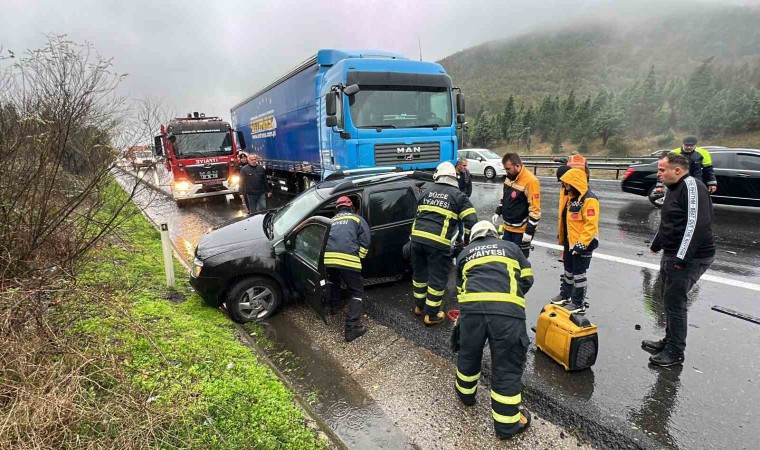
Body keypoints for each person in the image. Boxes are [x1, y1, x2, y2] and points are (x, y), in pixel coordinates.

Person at [453, 220, 534, 440]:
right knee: (506, 368)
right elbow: (527, 279)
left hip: (471, 314)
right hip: (507, 315)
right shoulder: (511, 248)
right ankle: (506, 426)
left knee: (468, 355)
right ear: (493, 233)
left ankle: (466, 395)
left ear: (474, 237)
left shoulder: (465, 253)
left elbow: (460, 287)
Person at [645, 152, 715, 367]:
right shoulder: (673, 187)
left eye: (662, 169)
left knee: (675, 302)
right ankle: (669, 341)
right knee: (667, 298)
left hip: (691, 256)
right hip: (672, 252)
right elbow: (671, 219)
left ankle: (675, 351)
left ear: (677, 170)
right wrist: (658, 242)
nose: (659, 174)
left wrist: (681, 257)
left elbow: (697, 224)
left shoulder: (692, 186)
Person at [411, 161, 477, 326]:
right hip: (438, 243)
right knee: (437, 278)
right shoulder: (458, 196)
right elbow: (471, 221)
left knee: (419, 275)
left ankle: (419, 307)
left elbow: (418, 215)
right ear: (454, 177)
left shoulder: (426, 192)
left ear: (437, 175)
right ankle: (431, 315)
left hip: (416, 240)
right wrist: (467, 242)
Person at [550, 166, 600, 314]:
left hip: (583, 244)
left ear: (575, 182)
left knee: (579, 274)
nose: (564, 186)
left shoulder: (589, 199)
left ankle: (578, 303)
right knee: (568, 270)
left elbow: (590, 225)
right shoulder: (572, 198)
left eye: (566, 183)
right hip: (571, 242)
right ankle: (566, 295)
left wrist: (581, 245)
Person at [324, 196, 371, 342]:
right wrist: (359, 257)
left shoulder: (331, 221)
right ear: (351, 207)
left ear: (337, 208)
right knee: (356, 291)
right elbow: (366, 240)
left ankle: (334, 306)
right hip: (348, 260)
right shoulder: (357, 219)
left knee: (334, 282)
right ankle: (352, 328)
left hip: (329, 260)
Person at [492, 153, 541, 258]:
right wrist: (498, 211)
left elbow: (535, 210)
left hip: (521, 230)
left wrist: (529, 232)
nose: (507, 172)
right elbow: (506, 198)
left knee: (520, 260)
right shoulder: (510, 177)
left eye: (508, 169)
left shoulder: (531, 181)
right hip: (508, 227)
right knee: (506, 257)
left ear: (517, 166)